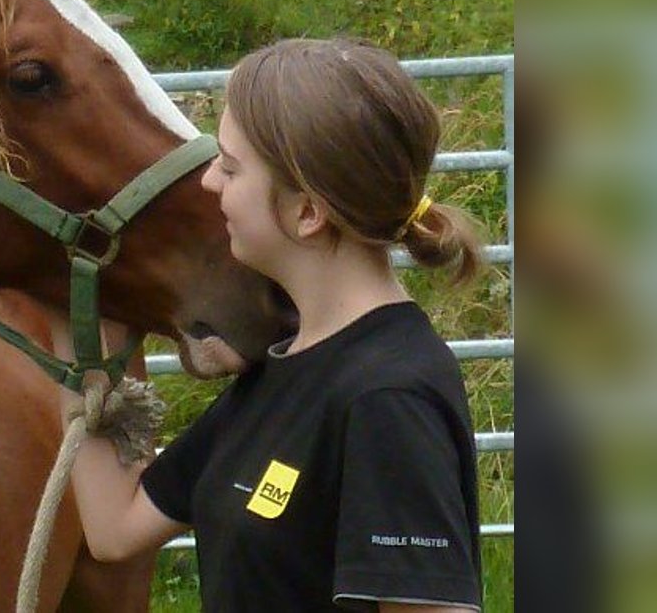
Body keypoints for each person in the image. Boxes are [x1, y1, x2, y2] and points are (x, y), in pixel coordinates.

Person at [53, 37, 485, 612]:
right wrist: (70, 306)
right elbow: (115, 528)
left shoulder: (388, 397)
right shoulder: (286, 364)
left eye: (229, 167)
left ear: (307, 212)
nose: (210, 183)